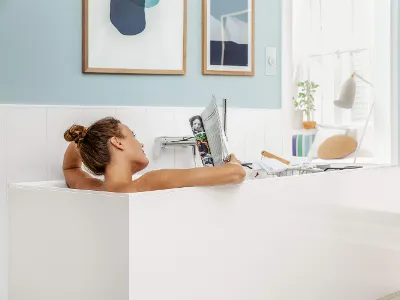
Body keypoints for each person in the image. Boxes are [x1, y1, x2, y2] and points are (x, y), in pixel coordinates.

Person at [63, 117, 246, 193]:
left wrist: (87, 140)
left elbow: (70, 167)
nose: (141, 143)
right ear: (118, 142)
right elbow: (236, 174)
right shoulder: (148, 182)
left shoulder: (93, 189)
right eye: (133, 135)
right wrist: (234, 163)